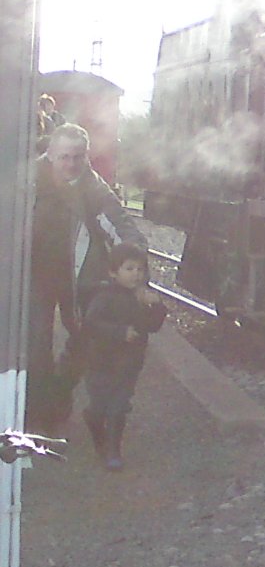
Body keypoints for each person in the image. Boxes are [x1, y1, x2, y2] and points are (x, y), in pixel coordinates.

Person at [26, 123, 143, 437]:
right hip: (36, 274)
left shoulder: (93, 188)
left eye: (77, 157)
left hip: (78, 276)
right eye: (64, 157)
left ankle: (60, 389)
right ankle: (40, 410)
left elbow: (121, 225)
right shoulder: (29, 179)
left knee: (85, 337)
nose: (71, 164)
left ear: (86, 156)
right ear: (50, 154)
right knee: (36, 342)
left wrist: (136, 264)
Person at [72, 244, 167, 469]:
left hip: (129, 363)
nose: (136, 274)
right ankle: (94, 423)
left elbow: (153, 326)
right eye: (129, 269)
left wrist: (157, 307)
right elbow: (90, 323)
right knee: (100, 405)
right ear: (113, 272)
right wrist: (119, 332)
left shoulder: (142, 298)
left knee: (119, 406)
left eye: (140, 269)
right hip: (100, 362)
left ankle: (113, 450)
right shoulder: (104, 296)